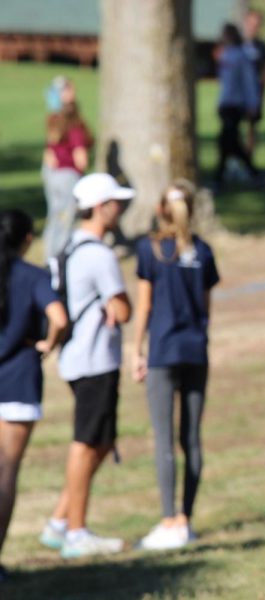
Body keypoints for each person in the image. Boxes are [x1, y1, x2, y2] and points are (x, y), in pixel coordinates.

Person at [39, 173, 134, 558]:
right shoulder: (99, 254)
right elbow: (123, 307)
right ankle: (75, 532)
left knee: (102, 439)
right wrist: (116, 307)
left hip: (79, 358)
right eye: (116, 202)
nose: (121, 209)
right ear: (101, 207)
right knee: (85, 444)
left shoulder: (70, 246)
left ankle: (60, 521)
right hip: (95, 360)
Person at [131, 181, 219, 551]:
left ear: (160, 210)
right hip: (195, 350)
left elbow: (145, 306)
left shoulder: (151, 249)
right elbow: (206, 305)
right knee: (192, 439)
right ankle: (186, 518)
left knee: (164, 437)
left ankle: (169, 520)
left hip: (164, 352)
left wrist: (136, 349)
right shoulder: (203, 250)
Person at [0, 210, 67, 583]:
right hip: (18, 381)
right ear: (27, 239)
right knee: (6, 472)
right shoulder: (32, 276)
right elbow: (58, 317)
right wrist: (47, 345)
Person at [42, 76, 93, 264]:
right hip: (68, 177)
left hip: (53, 175)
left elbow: (49, 156)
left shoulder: (54, 121)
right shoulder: (74, 127)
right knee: (66, 222)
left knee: (55, 218)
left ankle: (49, 258)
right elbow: (81, 160)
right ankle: (60, 261)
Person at [213, 23, 263, 192]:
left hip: (236, 104)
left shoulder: (242, 56)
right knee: (229, 142)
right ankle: (252, 172)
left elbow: (250, 82)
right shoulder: (225, 55)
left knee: (225, 141)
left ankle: (220, 177)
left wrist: (252, 104)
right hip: (225, 104)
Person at [242, 9, 265, 159]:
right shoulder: (238, 45)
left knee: (252, 129)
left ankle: (248, 160)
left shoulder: (262, 48)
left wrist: (262, 94)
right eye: (251, 24)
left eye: (257, 24)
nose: (254, 27)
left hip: (255, 94)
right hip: (239, 94)